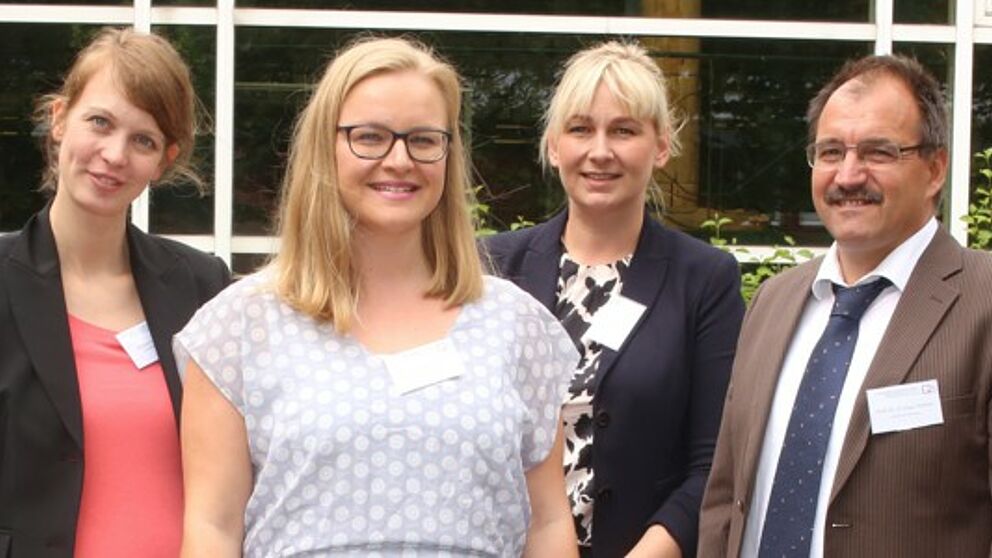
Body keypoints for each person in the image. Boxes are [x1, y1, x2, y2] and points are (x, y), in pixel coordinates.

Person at [176, 36, 579, 557]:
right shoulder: (237, 328)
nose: (399, 160)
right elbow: (212, 528)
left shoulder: (517, 325)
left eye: (423, 140)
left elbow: (546, 523)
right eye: (370, 137)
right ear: (326, 146)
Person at [699, 54, 992, 558]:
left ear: (935, 168)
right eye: (831, 151)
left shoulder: (982, 301)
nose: (849, 175)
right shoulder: (774, 301)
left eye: (878, 152)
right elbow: (725, 496)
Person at [484, 41, 745, 558]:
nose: (599, 151)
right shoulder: (493, 269)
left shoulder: (704, 279)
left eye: (624, 130)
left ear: (662, 146)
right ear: (554, 145)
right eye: (581, 129)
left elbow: (716, 460)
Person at [0, 27, 231, 557]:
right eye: (99, 122)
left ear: (164, 160)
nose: (114, 154)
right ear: (59, 119)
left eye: (143, 140)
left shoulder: (203, 287)